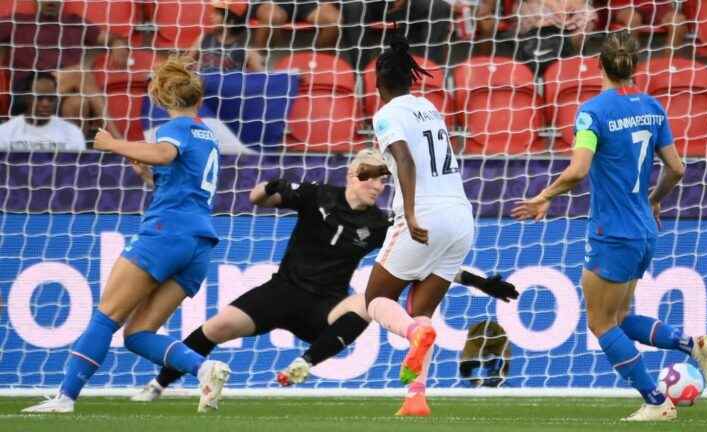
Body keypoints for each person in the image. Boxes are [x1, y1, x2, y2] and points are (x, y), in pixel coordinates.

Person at [130, 149, 518, 401]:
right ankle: (158, 385)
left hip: (325, 307)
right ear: (354, 174)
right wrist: (270, 187)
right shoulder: (317, 195)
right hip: (282, 291)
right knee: (216, 328)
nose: (379, 185)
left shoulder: (382, 223)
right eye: (373, 176)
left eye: (385, 180)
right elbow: (256, 198)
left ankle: (305, 363)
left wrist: (485, 284)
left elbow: (431, 264)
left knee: (369, 303)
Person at [512, 30, 707, 421]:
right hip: (644, 229)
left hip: (612, 231)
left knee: (600, 322)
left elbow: (578, 169)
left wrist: (544, 197)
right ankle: (694, 344)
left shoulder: (594, 112)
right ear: (635, 66)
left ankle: (657, 402)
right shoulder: (653, 107)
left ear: (599, 65)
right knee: (621, 317)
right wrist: (655, 199)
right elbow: (677, 167)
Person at [21, 56, 229, 414]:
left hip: (165, 234)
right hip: (198, 244)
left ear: (163, 99)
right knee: (137, 335)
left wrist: (112, 143)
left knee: (106, 315)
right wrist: (148, 177)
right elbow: (178, 177)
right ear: (197, 97)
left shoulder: (175, 130)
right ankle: (203, 367)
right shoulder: (207, 135)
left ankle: (65, 397)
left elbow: (164, 153)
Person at [362, 34, 475, 417]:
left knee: (375, 298)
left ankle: (413, 334)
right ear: (411, 81)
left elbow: (408, 161)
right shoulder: (428, 106)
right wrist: (379, 167)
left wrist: (409, 214)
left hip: (425, 213)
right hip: (460, 216)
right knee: (422, 306)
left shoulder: (385, 114)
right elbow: (424, 156)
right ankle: (416, 397)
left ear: (378, 85)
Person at [0, 0, 121, 136]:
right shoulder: (18, 21)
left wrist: (118, 44)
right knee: (80, 73)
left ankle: (72, 154)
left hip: (63, 92)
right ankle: (117, 140)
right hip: (27, 93)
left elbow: (109, 39)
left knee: (78, 103)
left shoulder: (75, 22)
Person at [0, 71, 86, 151]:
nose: (46, 104)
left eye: (51, 98)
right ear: (26, 98)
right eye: (39, 98)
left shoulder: (72, 133)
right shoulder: (5, 132)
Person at [189, 0, 265, 72]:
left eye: (217, 14)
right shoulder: (203, 38)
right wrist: (194, 68)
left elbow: (265, 78)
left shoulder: (247, 51)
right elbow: (184, 65)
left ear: (230, 22)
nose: (211, 16)